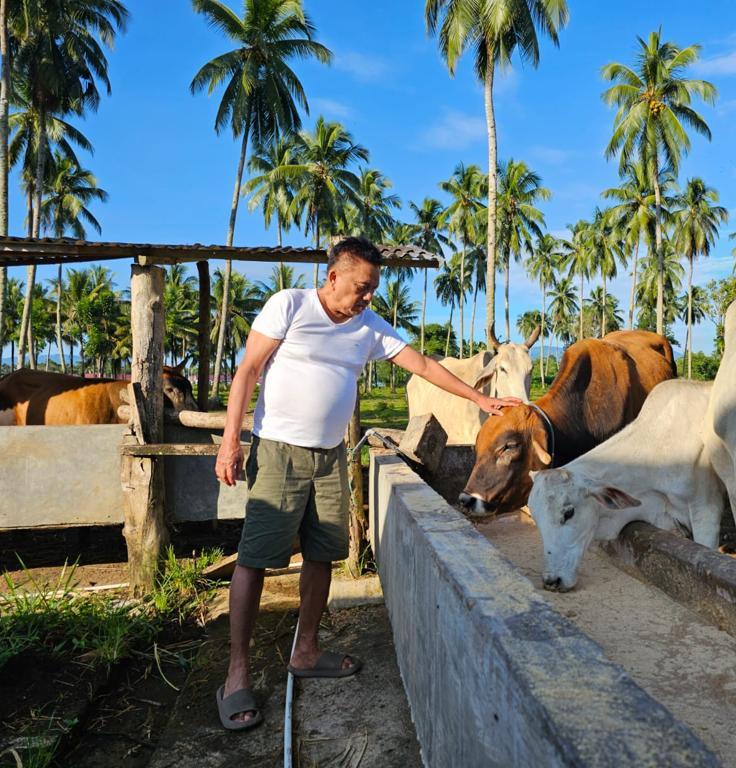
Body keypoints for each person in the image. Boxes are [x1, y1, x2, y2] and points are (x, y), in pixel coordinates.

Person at [214, 236, 519, 730]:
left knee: (323, 552)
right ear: (333, 278)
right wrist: (231, 441)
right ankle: (236, 672)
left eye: (374, 289)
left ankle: (307, 650)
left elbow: (421, 365)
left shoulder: (368, 326)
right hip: (278, 453)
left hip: (332, 455)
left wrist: (480, 400)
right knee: (255, 557)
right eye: (361, 287)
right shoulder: (289, 306)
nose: (368, 297)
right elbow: (248, 371)